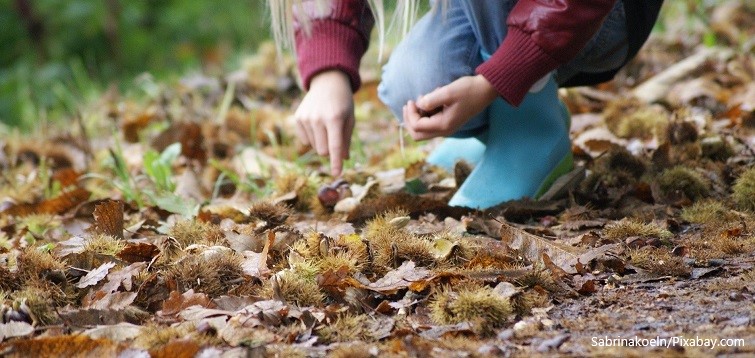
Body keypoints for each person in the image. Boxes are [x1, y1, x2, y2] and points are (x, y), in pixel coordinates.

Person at [269, 0, 663, 209]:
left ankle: (529, 129)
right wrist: (327, 73)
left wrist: (502, 76)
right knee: (414, 85)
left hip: (601, 13)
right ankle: (499, 123)